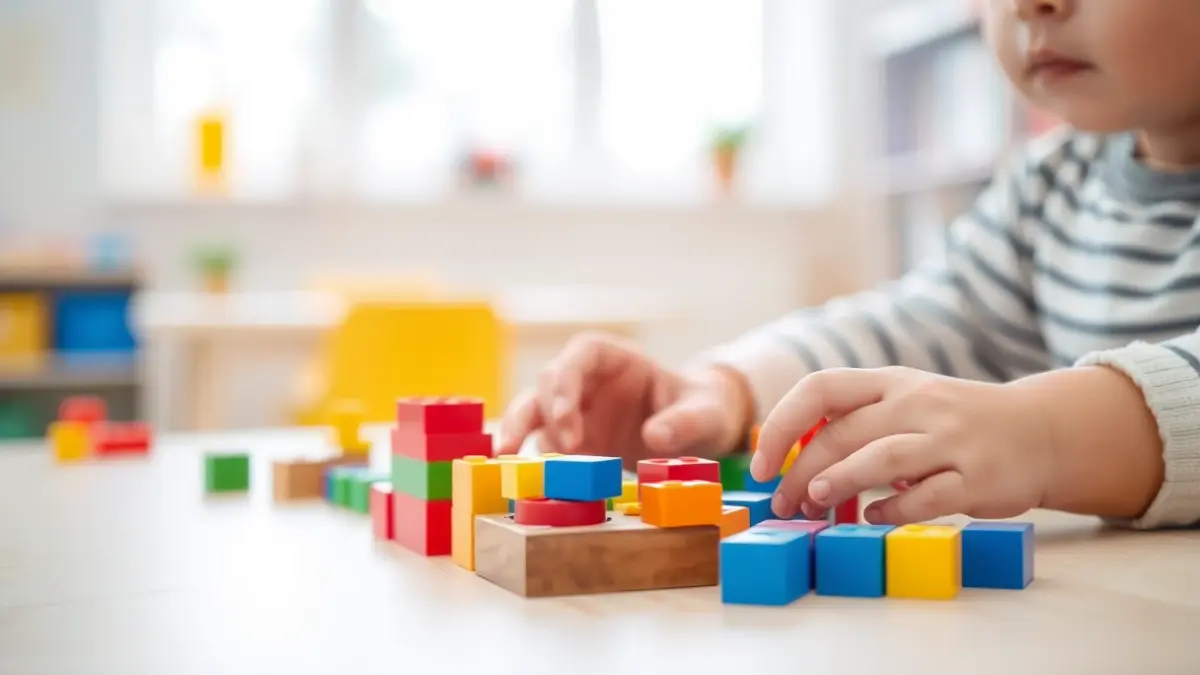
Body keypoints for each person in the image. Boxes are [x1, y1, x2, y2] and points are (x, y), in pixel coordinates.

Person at [497, 0, 1200, 531]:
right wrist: (725, 389)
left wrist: (1046, 435)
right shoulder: (1051, 181)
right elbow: (931, 321)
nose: (1029, 5)